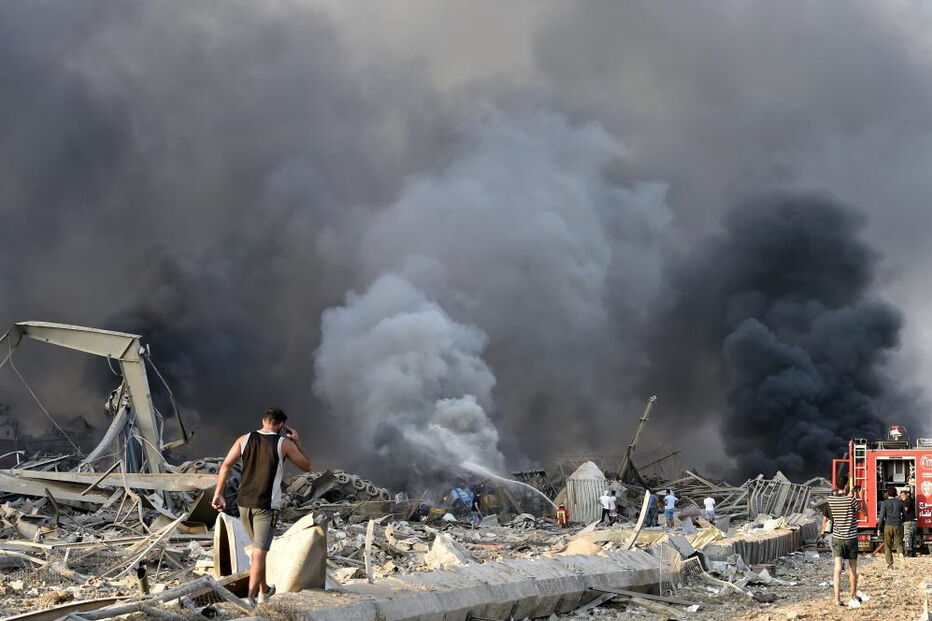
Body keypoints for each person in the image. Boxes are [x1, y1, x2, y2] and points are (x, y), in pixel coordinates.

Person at [213, 408, 313, 606]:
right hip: (266, 507)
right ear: (281, 426)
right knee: (259, 552)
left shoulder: (243, 439)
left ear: (263, 421)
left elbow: (225, 465)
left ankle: (264, 589)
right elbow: (307, 466)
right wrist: (297, 441)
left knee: (258, 551)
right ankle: (251, 598)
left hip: (243, 504)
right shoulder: (283, 443)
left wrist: (218, 493)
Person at [827, 482, 861, 608]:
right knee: (852, 568)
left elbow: (829, 513)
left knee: (837, 568)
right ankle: (852, 596)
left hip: (837, 538)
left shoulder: (830, 500)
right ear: (846, 487)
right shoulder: (851, 500)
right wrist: (859, 496)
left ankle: (837, 598)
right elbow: (862, 511)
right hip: (851, 538)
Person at [878, 487, 905, 569]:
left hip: (888, 525)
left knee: (887, 545)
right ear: (895, 493)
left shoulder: (884, 503)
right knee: (899, 543)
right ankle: (901, 555)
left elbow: (881, 517)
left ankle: (890, 564)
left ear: (888, 494)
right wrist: (901, 521)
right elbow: (904, 515)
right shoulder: (900, 503)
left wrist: (879, 528)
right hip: (898, 525)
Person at [901, 489, 917, 557]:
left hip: (908, 522)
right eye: (901, 495)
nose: (902, 497)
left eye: (903, 495)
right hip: (913, 522)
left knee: (908, 537)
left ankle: (908, 553)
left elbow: (905, 510)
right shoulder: (910, 500)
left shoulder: (907, 501)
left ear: (907, 495)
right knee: (913, 538)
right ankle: (913, 553)